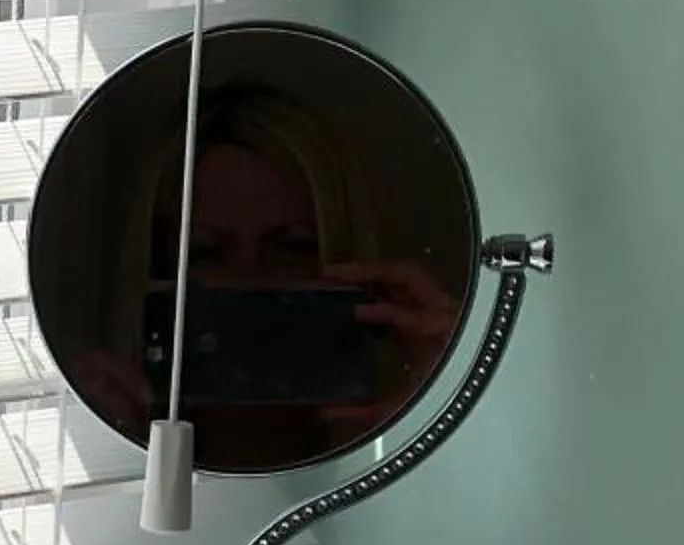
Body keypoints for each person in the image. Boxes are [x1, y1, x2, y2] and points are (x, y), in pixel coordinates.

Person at [67, 81, 462, 470]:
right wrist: (107, 446)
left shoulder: (399, 443)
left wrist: (445, 405)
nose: (250, 278)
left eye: (292, 246)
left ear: (345, 261)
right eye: (207, 251)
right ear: (160, 274)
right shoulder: (117, 453)